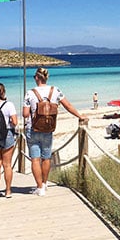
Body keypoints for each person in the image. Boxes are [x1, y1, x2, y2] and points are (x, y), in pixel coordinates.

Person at [23, 68, 87, 196]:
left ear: (37, 77)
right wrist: (80, 116)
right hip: (48, 128)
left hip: (33, 128)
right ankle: (45, 183)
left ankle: (39, 187)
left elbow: (25, 114)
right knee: (46, 158)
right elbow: (68, 106)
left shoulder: (30, 93)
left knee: (35, 159)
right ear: (46, 78)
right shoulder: (56, 91)